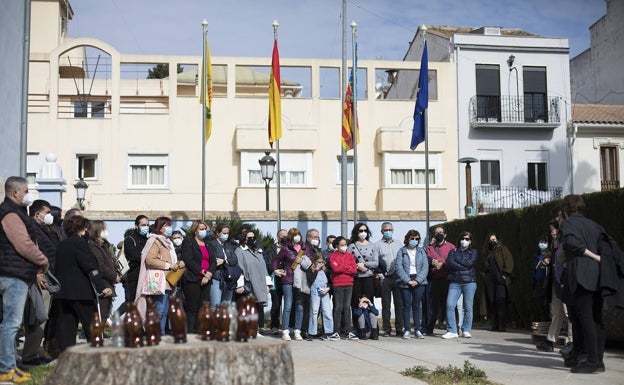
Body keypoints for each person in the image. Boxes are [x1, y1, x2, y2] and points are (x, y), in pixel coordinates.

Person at [0, 177, 50, 383]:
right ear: (15, 193)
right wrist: (43, 260)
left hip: (16, 273)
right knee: (11, 324)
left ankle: (11, 365)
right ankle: (6, 368)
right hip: (13, 274)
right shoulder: (11, 214)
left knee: (13, 324)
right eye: (26, 191)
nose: (29, 194)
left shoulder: (17, 212)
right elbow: (24, 244)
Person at [560, 194, 607, 373]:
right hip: (598, 275)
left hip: (581, 275)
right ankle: (599, 361)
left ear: (566, 209)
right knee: (596, 318)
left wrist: (593, 256)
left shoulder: (568, 224)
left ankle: (592, 360)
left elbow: (573, 244)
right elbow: (607, 245)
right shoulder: (595, 225)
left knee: (585, 318)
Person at [53, 216, 113, 352]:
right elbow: (90, 267)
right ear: (80, 229)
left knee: (67, 327)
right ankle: (97, 352)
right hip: (81, 292)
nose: (87, 231)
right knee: (92, 325)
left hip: (63, 292)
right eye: (85, 228)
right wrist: (102, 287)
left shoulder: (62, 244)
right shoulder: (79, 243)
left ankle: (66, 354)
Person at [135, 217, 185, 335]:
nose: (169, 228)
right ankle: (156, 334)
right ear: (160, 227)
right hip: (159, 281)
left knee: (164, 311)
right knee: (159, 309)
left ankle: (160, 333)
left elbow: (171, 258)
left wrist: (179, 263)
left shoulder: (168, 242)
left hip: (169, 280)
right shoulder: (155, 240)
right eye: (166, 225)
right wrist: (168, 265)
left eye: (170, 225)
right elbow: (149, 260)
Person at [537, 220, 573, 353]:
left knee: (568, 312)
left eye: (555, 229)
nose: (553, 232)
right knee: (556, 312)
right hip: (555, 282)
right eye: (551, 230)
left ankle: (572, 340)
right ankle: (550, 340)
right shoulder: (553, 245)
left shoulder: (564, 244)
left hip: (564, 281)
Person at [271, 228, 310, 341]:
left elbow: (310, 261)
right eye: (295, 235)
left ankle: (297, 330)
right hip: (288, 279)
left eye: (298, 234)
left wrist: (302, 261)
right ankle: (285, 330)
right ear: (290, 237)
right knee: (288, 305)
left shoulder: (304, 248)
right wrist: (276, 270)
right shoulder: (285, 249)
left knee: (299, 305)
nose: (297, 237)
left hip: (301, 280)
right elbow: (275, 261)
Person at [181, 220, 215, 333]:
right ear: (195, 231)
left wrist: (209, 274)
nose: (203, 231)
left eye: (205, 229)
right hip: (193, 279)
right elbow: (188, 260)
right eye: (201, 229)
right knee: (192, 309)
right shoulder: (188, 242)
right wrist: (202, 272)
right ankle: (191, 332)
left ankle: (202, 332)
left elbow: (213, 261)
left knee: (204, 308)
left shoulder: (208, 243)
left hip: (207, 279)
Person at [442, 231, 478, 339]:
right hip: (455, 281)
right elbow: (450, 263)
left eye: (467, 239)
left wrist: (458, 262)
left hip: (469, 282)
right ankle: (452, 330)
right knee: (449, 304)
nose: (464, 241)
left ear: (470, 241)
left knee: (468, 307)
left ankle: (466, 329)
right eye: (463, 238)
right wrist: (464, 265)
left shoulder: (474, 252)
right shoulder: (453, 251)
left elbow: (470, 263)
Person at [234, 228, 271, 330]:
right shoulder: (239, 251)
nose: (251, 239)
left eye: (253, 237)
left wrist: (267, 284)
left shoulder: (258, 251)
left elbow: (264, 268)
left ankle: (255, 329)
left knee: (257, 307)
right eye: (249, 237)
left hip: (259, 283)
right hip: (248, 283)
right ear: (243, 238)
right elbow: (239, 267)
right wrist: (240, 284)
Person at [395, 230, 428, 339]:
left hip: (419, 281)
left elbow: (425, 267)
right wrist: (408, 280)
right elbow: (398, 267)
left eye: (417, 239)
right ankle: (407, 329)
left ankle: (418, 330)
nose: (414, 241)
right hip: (406, 280)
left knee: (417, 306)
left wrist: (417, 280)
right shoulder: (402, 251)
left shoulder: (422, 251)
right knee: (406, 306)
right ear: (407, 239)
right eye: (412, 238)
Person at [375, 222, 404, 337]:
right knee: (386, 305)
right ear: (382, 231)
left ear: (393, 230)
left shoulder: (399, 243)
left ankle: (399, 328)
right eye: (386, 230)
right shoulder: (377, 245)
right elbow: (376, 262)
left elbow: (402, 259)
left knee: (399, 304)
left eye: (390, 229)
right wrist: (380, 274)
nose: (388, 231)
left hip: (397, 277)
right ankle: (386, 329)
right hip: (385, 277)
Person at [347, 222, 379, 328]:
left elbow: (376, 262)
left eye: (365, 230)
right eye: (361, 231)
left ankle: (371, 327)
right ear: (356, 232)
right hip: (356, 278)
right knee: (356, 303)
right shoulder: (351, 246)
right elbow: (347, 262)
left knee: (368, 302)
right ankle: (358, 328)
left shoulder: (373, 245)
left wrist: (365, 265)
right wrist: (358, 266)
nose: (363, 233)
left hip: (368, 277)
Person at [87, 220, 119, 322]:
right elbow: (101, 267)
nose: (106, 231)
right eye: (103, 229)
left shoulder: (104, 245)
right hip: (103, 284)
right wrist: (114, 277)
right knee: (100, 315)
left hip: (108, 284)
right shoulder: (94, 246)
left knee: (104, 314)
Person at [328, 236, 358, 340]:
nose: (344, 247)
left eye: (345, 245)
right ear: (337, 246)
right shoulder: (332, 256)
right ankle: (336, 331)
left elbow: (354, 270)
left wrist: (343, 267)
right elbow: (335, 268)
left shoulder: (350, 256)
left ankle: (348, 331)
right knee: (338, 307)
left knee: (347, 307)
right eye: (342, 245)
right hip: (337, 284)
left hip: (349, 283)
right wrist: (346, 267)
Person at [426, 225, 455, 335]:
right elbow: (426, 259)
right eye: (437, 233)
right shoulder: (430, 248)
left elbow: (453, 262)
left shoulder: (451, 247)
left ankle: (450, 328)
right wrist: (432, 262)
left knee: (449, 304)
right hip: (435, 280)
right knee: (434, 305)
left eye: (441, 232)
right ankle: (430, 328)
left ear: (445, 235)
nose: (439, 234)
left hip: (448, 279)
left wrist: (443, 265)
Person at [483, 233, 514, 332]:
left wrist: (505, 274)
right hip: (489, 278)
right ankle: (494, 323)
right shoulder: (487, 252)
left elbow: (509, 261)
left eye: (494, 239)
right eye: (490, 240)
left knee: (500, 300)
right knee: (492, 301)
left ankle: (502, 324)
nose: (492, 242)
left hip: (499, 277)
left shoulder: (502, 248)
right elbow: (484, 265)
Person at [119, 215, 149, 314]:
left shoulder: (149, 239)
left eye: (147, 225)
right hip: (134, 277)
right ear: (136, 226)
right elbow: (136, 256)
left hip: (147, 277)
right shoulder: (130, 240)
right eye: (143, 225)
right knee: (133, 303)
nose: (146, 227)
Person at [207, 223, 239, 310]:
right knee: (215, 306)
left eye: (227, 233)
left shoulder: (229, 245)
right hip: (217, 277)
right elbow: (214, 261)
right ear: (217, 233)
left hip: (229, 278)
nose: (226, 235)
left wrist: (224, 261)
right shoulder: (212, 244)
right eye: (224, 233)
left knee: (226, 306)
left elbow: (234, 260)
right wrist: (226, 261)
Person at [306, 253, 335, 341]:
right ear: (314, 261)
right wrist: (316, 269)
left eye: (322, 262)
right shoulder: (310, 269)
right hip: (315, 291)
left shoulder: (326, 270)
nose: (321, 264)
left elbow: (331, 281)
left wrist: (328, 288)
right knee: (314, 311)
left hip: (325, 291)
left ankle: (328, 332)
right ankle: (312, 332)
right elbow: (310, 280)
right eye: (319, 262)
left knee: (327, 311)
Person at [264, 229, 287, 335]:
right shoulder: (271, 249)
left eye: (286, 236)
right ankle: (274, 326)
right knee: (276, 304)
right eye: (282, 236)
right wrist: (275, 270)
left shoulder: (290, 248)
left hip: (287, 279)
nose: (284, 237)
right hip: (275, 279)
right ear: (277, 237)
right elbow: (268, 262)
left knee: (289, 304)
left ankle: (289, 326)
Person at [300, 229, 321, 339]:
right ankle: (304, 330)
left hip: (316, 281)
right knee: (307, 308)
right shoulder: (305, 249)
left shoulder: (316, 249)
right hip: (307, 281)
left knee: (315, 309)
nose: (316, 239)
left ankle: (312, 329)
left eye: (317, 237)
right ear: (308, 238)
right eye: (314, 237)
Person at [532, 235, 552, 322]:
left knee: (546, 304)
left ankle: (547, 322)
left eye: (545, 242)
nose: (542, 244)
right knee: (539, 303)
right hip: (537, 282)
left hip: (546, 282)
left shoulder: (550, 254)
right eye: (541, 242)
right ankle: (542, 322)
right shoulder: (537, 255)